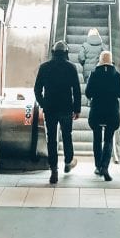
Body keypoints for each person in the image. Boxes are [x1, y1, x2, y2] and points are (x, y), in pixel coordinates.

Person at [34, 40, 81, 184]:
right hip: (66, 108)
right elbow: (77, 90)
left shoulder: (44, 67)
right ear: (66, 53)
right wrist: (77, 109)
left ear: (53, 52)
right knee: (67, 135)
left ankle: (54, 169)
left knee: (51, 138)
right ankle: (68, 162)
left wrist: (43, 104)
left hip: (50, 108)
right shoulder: (71, 67)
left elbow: (37, 89)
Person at [84, 50, 120, 182]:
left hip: (97, 111)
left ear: (100, 61)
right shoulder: (117, 75)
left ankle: (97, 166)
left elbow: (88, 93)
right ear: (111, 60)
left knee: (97, 138)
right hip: (111, 112)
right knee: (108, 139)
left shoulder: (94, 74)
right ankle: (105, 167)